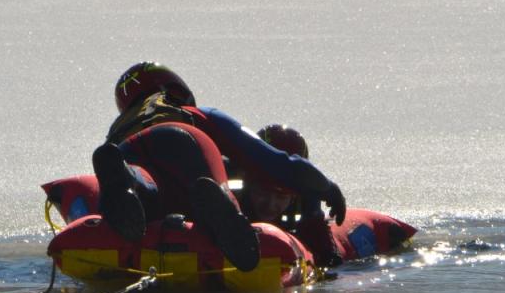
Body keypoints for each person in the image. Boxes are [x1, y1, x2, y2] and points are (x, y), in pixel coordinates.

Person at [94, 62, 346, 270]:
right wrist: (325, 187)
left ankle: (129, 181)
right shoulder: (199, 113)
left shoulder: (118, 128)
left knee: (150, 186)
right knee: (208, 182)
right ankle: (222, 206)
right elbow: (272, 161)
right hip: (182, 138)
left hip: (127, 149)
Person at [240, 124, 344, 267]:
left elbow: (328, 259)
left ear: (295, 195)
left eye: (281, 196)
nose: (270, 204)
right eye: (263, 192)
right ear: (247, 182)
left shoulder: (308, 198)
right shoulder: (229, 194)